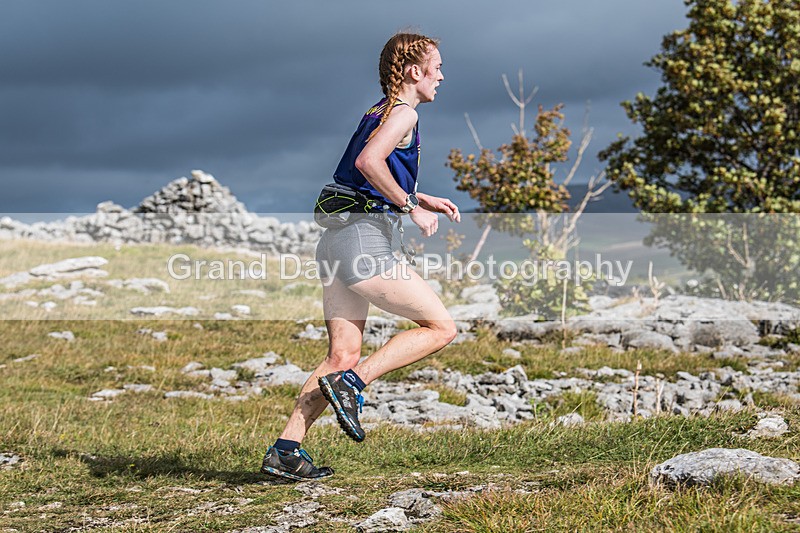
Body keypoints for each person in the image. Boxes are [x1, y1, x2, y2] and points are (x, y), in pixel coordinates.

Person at [261, 32, 461, 481]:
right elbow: (371, 161)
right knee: (440, 327)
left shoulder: (379, 110)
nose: (442, 76)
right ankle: (354, 385)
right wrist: (409, 208)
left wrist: (417, 195)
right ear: (414, 71)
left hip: (336, 240)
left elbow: (365, 175)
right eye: (437, 67)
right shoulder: (404, 112)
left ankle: (286, 450)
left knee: (340, 356)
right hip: (363, 241)